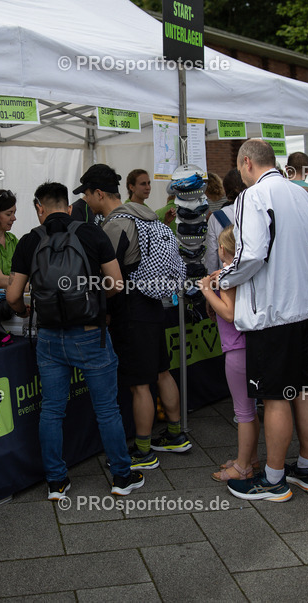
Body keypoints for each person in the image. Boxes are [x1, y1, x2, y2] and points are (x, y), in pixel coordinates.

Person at [6, 182, 144, 498]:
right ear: (69, 208)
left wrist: (24, 310)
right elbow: (116, 284)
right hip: (90, 334)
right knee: (107, 409)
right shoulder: (93, 234)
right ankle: (122, 477)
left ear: (39, 209)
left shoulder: (29, 241)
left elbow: (13, 295)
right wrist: (95, 300)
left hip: (49, 337)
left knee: (52, 410)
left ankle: (57, 482)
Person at [217, 139, 308, 502]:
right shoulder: (303, 195)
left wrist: (222, 278)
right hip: (304, 306)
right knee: (302, 388)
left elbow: (251, 255)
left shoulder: (251, 196)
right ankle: (307, 468)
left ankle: (274, 479)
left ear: (246, 163)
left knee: (276, 395)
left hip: (271, 312)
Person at [80, 164, 191, 469]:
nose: (86, 201)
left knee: (140, 383)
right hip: (155, 303)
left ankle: (143, 450)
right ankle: (175, 433)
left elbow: (110, 275)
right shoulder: (146, 216)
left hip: (131, 309)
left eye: (87, 195)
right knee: (162, 371)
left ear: (99, 193)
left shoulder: (116, 224)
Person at [199, 225, 257, 481]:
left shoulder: (228, 276)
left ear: (222, 249)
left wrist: (207, 290)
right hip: (250, 346)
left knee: (243, 412)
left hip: (237, 349)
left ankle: (243, 467)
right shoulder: (247, 271)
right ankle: (249, 458)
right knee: (250, 409)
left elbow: (229, 313)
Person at [204, 169, 245, 273]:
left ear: (226, 190)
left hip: (225, 276)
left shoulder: (216, 217)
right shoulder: (258, 212)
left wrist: (211, 278)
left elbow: (211, 254)